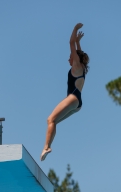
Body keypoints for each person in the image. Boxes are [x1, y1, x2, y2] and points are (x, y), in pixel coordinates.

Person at [40, 23, 89, 161]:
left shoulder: (77, 65)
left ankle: (46, 147)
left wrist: (75, 29)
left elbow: (70, 43)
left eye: (70, 57)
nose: (69, 59)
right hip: (77, 105)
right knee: (53, 121)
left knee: (50, 119)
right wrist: (79, 43)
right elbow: (79, 52)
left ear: (75, 59)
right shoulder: (82, 68)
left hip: (73, 98)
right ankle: (47, 146)